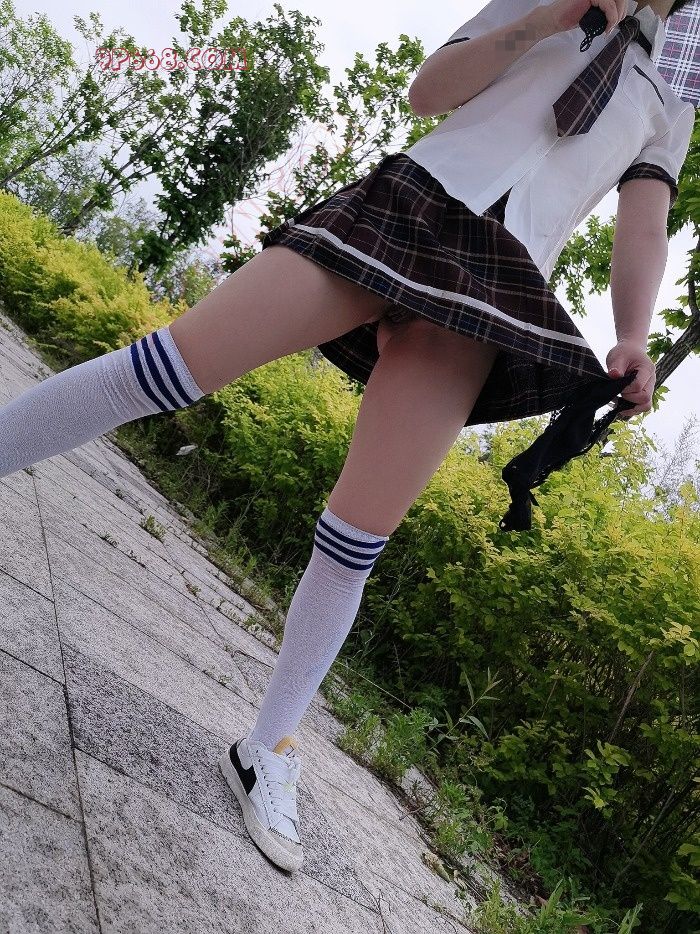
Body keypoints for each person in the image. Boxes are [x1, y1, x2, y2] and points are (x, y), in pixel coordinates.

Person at [0, 0, 694, 873]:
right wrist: (550, 21)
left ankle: (267, 747)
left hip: (501, 280)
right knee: (160, 369)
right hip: (409, 204)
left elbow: (644, 221)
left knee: (357, 537)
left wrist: (633, 335)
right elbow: (428, 92)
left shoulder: (674, 88)